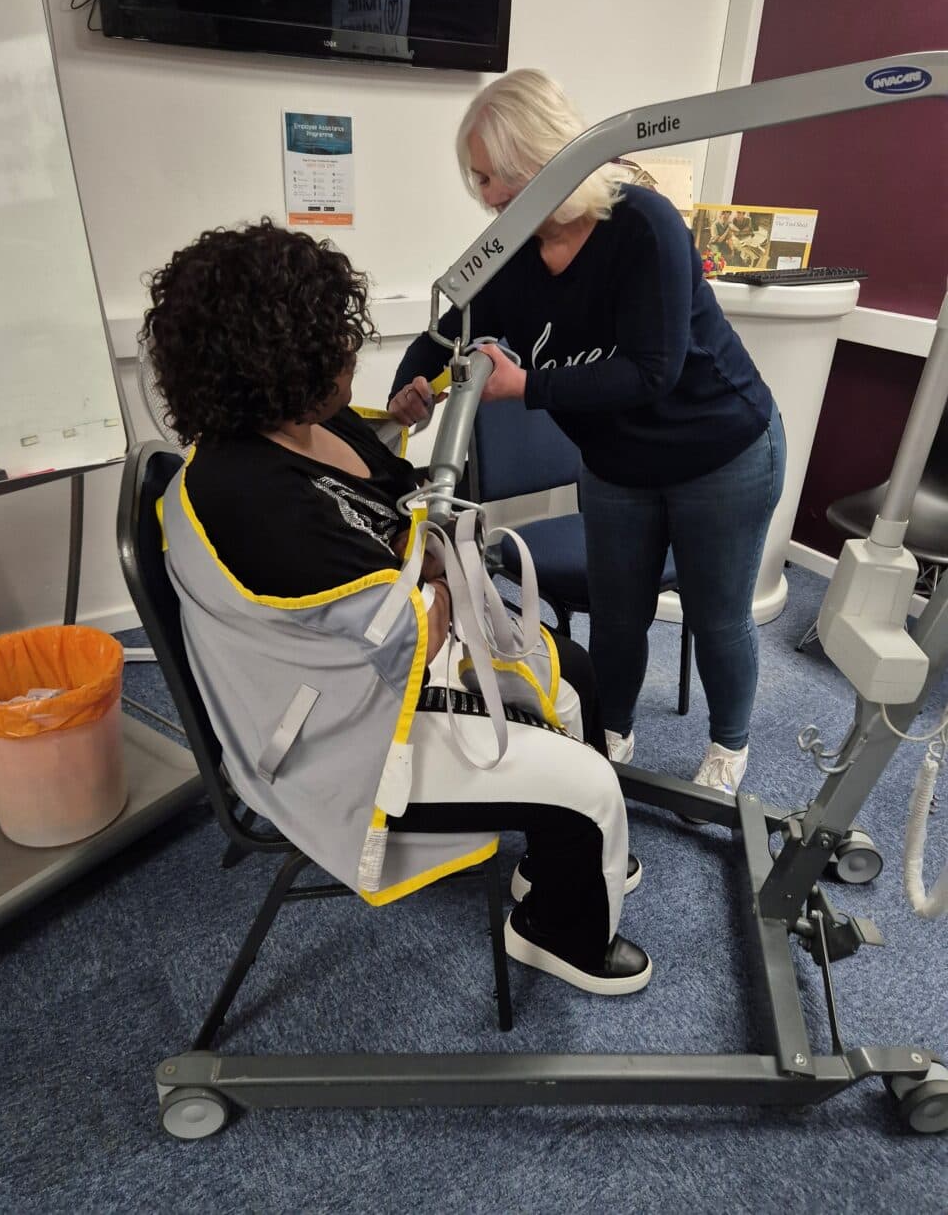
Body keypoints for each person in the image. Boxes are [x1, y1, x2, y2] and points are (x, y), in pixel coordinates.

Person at [140, 217, 651, 997]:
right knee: (588, 789)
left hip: (382, 647)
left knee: (571, 666)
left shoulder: (311, 420)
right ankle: (557, 931)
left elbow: (384, 498)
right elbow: (400, 627)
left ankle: (558, 865)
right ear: (276, 357)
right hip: (348, 722)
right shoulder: (244, 494)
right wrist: (445, 584)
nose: (353, 349)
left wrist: (410, 447)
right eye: (335, 337)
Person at [389, 70, 787, 802]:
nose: (485, 196)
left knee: (717, 612)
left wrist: (529, 387)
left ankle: (729, 745)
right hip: (616, 463)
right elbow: (450, 329)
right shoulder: (511, 252)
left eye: (495, 176)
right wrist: (411, 385)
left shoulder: (643, 226)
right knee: (618, 612)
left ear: (544, 160)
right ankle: (613, 729)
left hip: (720, 448)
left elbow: (653, 372)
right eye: (476, 179)